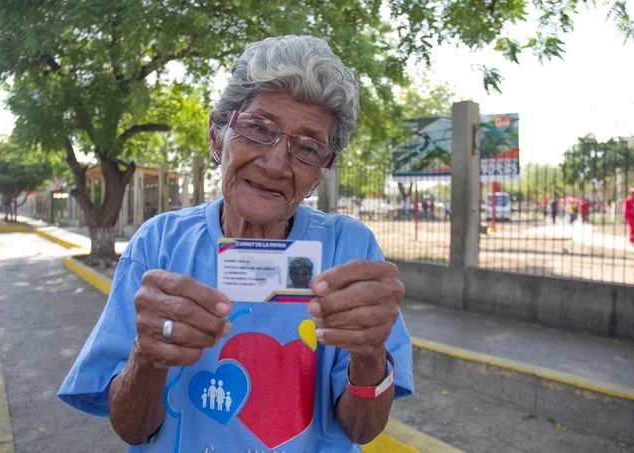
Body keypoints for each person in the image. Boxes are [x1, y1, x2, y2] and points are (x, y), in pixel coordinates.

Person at [58, 35, 413, 453]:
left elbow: (363, 430)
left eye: (307, 147)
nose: (276, 162)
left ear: (322, 171)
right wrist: (147, 357)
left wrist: (370, 354)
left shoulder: (349, 248)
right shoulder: (159, 244)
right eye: (258, 128)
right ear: (216, 137)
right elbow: (132, 429)